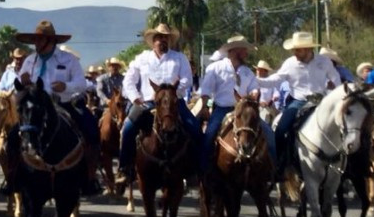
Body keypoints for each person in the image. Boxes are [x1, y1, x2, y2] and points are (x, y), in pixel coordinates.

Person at [16, 22, 99, 186]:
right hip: (35, 108)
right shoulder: (29, 60)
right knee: (12, 136)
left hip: (63, 104)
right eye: (35, 40)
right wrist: (21, 81)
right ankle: (13, 178)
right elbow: (19, 84)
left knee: (91, 129)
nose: (36, 43)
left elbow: (81, 83)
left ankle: (90, 176)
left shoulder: (68, 59)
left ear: (50, 40)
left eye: (40, 40)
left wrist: (66, 86)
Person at [119, 23, 201, 183]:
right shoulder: (142, 58)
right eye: (159, 38)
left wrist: (172, 94)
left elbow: (187, 79)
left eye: (166, 38)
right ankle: (124, 168)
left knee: (195, 129)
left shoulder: (179, 58)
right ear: (153, 41)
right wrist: (135, 97)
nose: (162, 40)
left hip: (174, 103)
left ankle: (195, 169)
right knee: (127, 129)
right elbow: (128, 79)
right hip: (147, 103)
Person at [257, 32, 342, 179]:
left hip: (321, 101)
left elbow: (335, 78)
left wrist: (336, 93)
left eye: (298, 49)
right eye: (294, 49)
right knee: (281, 129)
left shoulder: (324, 62)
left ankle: (344, 165)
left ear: (308, 49)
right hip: (298, 101)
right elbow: (275, 79)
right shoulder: (290, 63)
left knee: (344, 126)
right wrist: (256, 80)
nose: (294, 52)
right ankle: (280, 165)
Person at [198, 35, 275, 175]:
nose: (246, 53)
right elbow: (206, 90)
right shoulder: (216, 68)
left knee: (269, 133)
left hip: (245, 111)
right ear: (235, 51)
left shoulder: (247, 72)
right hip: (222, 108)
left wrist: (254, 93)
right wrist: (203, 106)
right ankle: (203, 171)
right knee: (209, 135)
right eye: (244, 50)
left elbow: (254, 87)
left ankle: (273, 170)